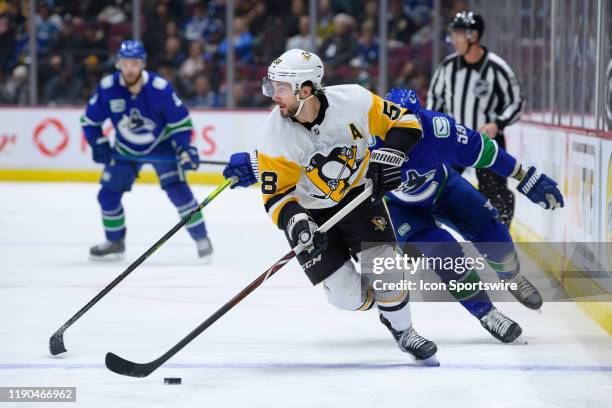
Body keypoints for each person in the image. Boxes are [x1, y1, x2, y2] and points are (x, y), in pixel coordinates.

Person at [223, 88, 564, 343]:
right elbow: (314, 151)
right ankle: (487, 313)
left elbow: (484, 151)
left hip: (446, 189)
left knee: (494, 237)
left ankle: (512, 276)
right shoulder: (363, 130)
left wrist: (526, 177)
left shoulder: (437, 130)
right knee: (444, 254)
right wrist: (256, 163)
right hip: (401, 208)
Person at [224, 49, 438, 364]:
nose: (273, 96)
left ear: (306, 90)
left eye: (281, 88)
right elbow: (277, 197)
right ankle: (384, 305)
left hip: (358, 198)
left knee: (388, 271)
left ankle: (404, 332)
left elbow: (406, 122)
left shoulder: (355, 101)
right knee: (346, 298)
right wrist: (299, 224)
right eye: (272, 86)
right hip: (309, 213)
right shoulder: (274, 136)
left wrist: (389, 156)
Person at [81, 40, 213, 261]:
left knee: (178, 191)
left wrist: (184, 148)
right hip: (125, 149)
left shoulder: (159, 89)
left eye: (134, 63)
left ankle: (201, 239)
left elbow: (180, 123)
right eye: (125, 63)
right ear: (118, 64)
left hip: (161, 147)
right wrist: (99, 144)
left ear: (142, 64)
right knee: (107, 195)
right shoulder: (107, 88)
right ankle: (115, 241)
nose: (129, 68)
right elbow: (89, 121)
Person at [427, 11, 523, 227]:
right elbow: (434, 100)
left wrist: (496, 124)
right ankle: (429, 242)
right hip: (451, 139)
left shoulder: (497, 68)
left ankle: (498, 245)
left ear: (473, 36)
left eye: (458, 34)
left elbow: (516, 102)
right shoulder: (447, 67)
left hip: (486, 142)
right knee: (434, 188)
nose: (453, 39)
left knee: (495, 194)